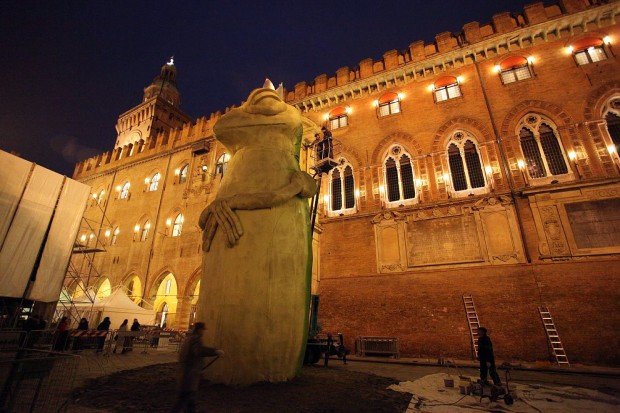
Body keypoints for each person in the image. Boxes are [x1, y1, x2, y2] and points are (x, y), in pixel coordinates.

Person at [169, 322, 224, 413]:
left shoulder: (189, 338)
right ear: (199, 330)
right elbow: (199, 351)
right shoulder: (195, 339)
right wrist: (215, 351)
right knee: (183, 401)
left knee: (189, 401)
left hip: (186, 373)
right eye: (203, 330)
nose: (204, 332)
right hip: (190, 374)